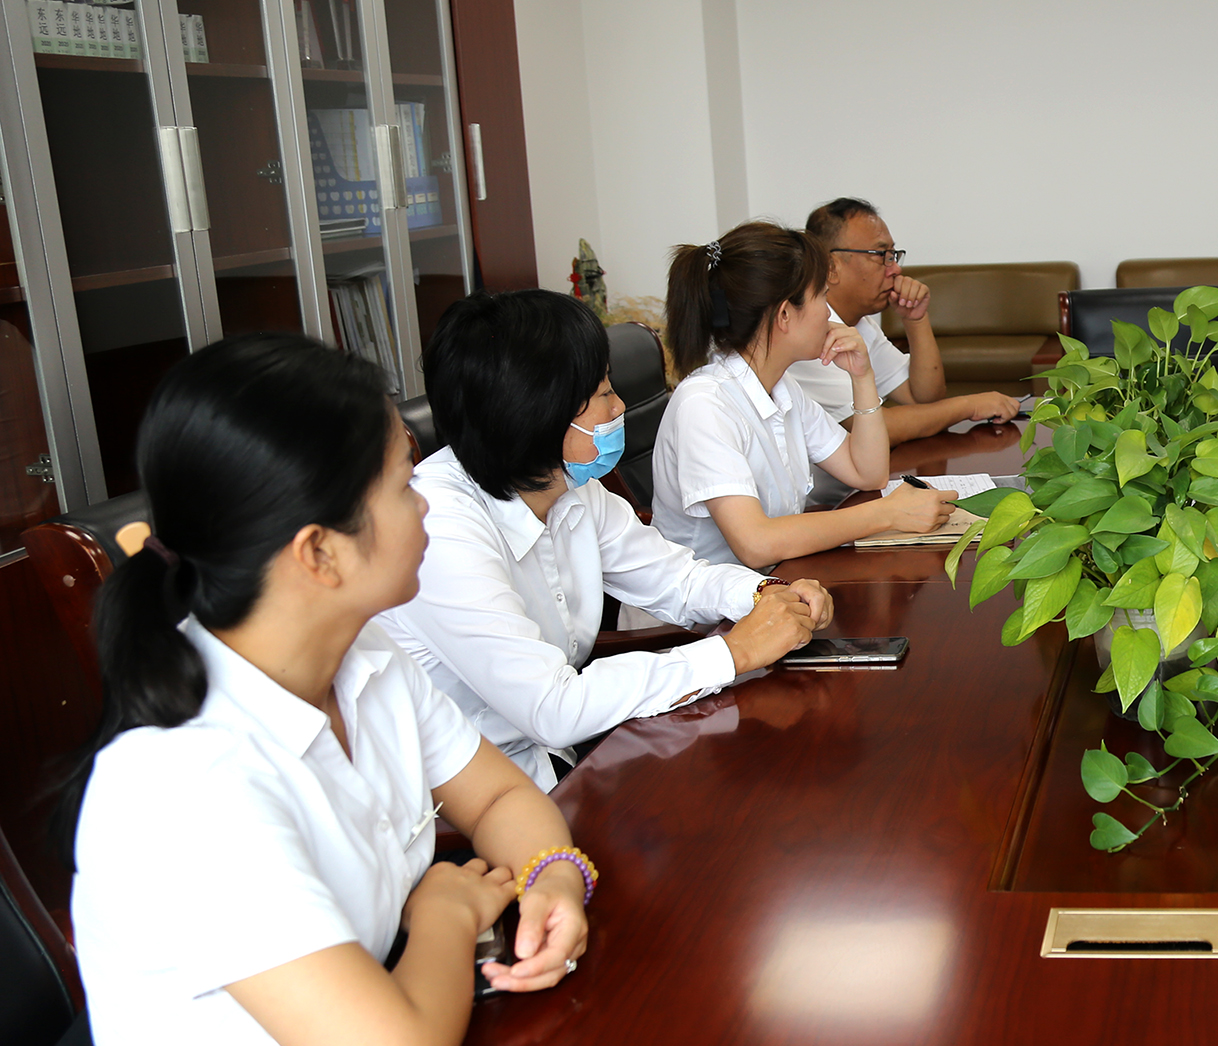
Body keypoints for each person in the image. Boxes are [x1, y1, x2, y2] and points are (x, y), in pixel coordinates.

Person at [57, 333, 591, 1046]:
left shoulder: (363, 654)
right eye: (403, 484)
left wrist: (554, 881)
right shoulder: (182, 779)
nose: (425, 501)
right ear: (319, 553)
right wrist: (444, 914)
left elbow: (501, 795)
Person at [376, 290, 832, 791]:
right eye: (603, 394)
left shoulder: (567, 484)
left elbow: (676, 579)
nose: (620, 407)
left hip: (562, 762)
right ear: (538, 413)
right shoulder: (437, 527)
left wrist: (768, 596)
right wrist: (734, 652)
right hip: (473, 802)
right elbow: (553, 708)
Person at [651, 220, 962, 569]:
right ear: (785, 314)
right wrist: (887, 513)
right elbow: (755, 543)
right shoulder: (704, 405)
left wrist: (862, 377)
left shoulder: (782, 389)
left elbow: (868, 473)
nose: (829, 314)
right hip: (707, 602)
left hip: (776, 582)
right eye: (822, 297)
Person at [792, 197, 1022, 442]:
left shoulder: (860, 324)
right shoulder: (805, 331)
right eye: (881, 255)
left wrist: (915, 319)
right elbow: (876, 430)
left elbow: (923, 398)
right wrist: (969, 406)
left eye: (893, 255)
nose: (895, 269)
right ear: (830, 267)